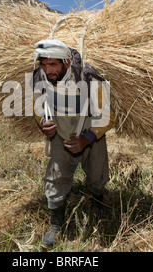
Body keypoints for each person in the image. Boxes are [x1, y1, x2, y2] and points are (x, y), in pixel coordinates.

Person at [32, 40, 116, 248]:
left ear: (67, 63)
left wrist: (86, 138)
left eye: (53, 65)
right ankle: (57, 226)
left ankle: (99, 206)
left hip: (90, 131)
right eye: (44, 64)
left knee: (97, 175)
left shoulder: (89, 78)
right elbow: (37, 106)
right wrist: (43, 122)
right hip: (61, 133)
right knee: (56, 178)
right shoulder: (39, 77)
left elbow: (108, 116)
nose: (47, 70)